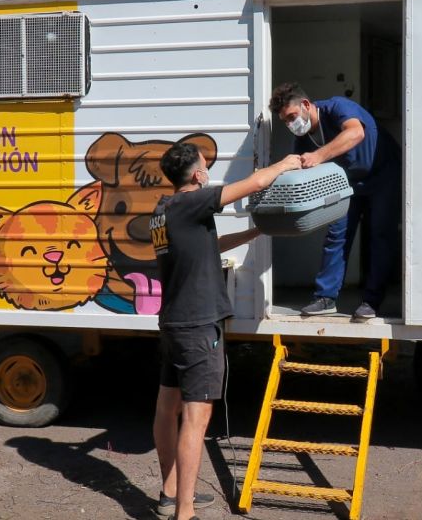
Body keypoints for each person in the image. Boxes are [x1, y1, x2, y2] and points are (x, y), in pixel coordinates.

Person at [150, 142, 301, 520]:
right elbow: (255, 182)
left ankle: (171, 493)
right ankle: (184, 512)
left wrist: (253, 234)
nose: (208, 172)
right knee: (195, 418)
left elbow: (207, 246)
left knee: (167, 408)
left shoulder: (163, 211)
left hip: (173, 322)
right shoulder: (193, 202)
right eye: (205, 167)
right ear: (198, 175)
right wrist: (284, 162)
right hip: (198, 325)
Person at [269, 82, 401, 321]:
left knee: (380, 234)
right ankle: (325, 297)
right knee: (336, 233)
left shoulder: (338, 107)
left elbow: (355, 132)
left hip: (383, 174)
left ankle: (372, 301)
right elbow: (300, 168)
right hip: (349, 182)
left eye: (292, 116)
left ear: (306, 105)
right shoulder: (303, 139)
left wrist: (319, 155)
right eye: (285, 121)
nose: (290, 124)